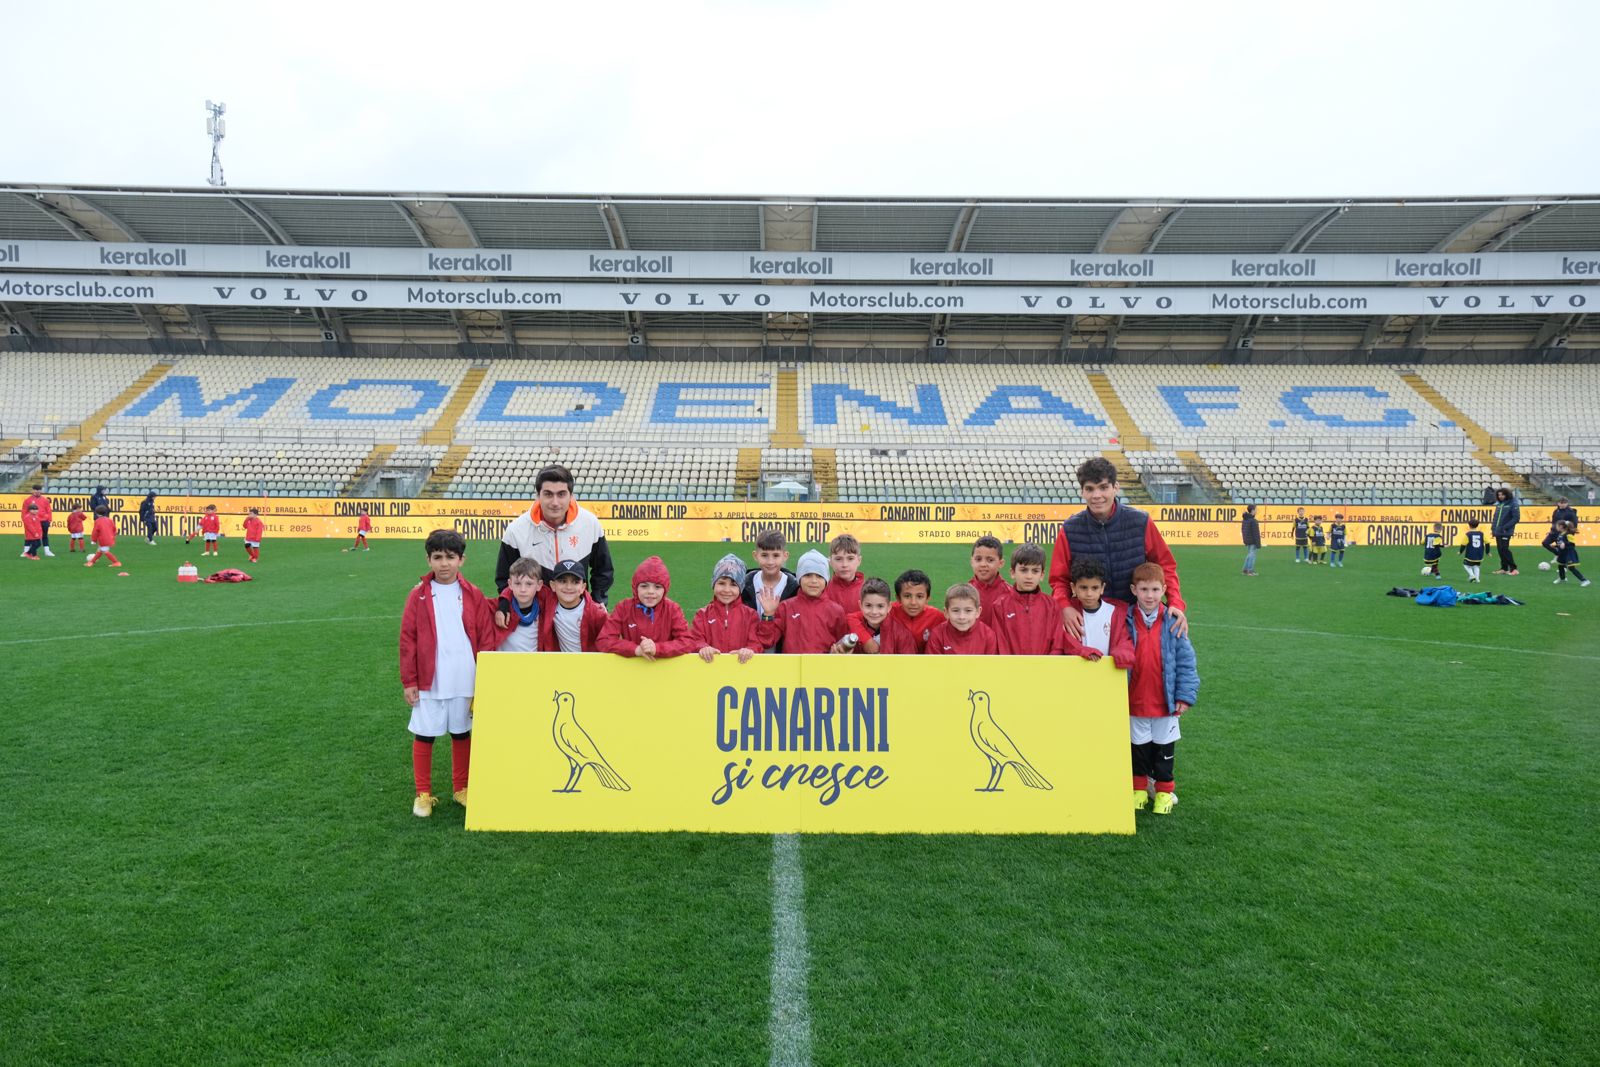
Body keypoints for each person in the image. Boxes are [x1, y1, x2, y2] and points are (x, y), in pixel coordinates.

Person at [398, 529, 500, 817]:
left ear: (461, 560)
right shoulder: (418, 595)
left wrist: (484, 677)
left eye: (450, 557)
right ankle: (423, 794)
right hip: (430, 680)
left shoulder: (472, 593)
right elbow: (408, 639)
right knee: (425, 734)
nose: (444, 564)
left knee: (461, 732)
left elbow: (485, 636)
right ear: (428, 560)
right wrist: (410, 681)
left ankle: (461, 788)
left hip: (464, 677)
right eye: (438, 557)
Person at [1049, 456, 1187, 640]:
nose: (1097, 495)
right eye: (1090, 489)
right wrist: (1064, 606)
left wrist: (1175, 602)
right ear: (1082, 492)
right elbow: (1059, 579)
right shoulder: (1069, 529)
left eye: (1103, 487)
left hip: (1136, 618)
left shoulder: (1140, 522)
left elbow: (1165, 565)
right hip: (1090, 620)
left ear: (1116, 487)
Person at [1124, 562, 1200, 816]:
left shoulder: (1173, 621)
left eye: (1155, 590)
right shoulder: (1124, 620)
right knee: (1139, 749)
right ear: (1134, 590)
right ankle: (1138, 791)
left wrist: (1184, 696)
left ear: (1164, 590)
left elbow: (1186, 662)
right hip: (1135, 700)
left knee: (1164, 750)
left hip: (1164, 702)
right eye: (1144, 589)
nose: (1150, 596)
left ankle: (1165, 793)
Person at [496, 464, 615, 610]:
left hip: (577, 613)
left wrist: (597, 600)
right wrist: (507, 606)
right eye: (548, 494)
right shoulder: (516, 530)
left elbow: (603, 570)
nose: (555, 502)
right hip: (535, 615)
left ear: (571, 496)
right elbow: (504, 578)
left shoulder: (590, 523)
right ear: (538, 495)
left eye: (561, 494)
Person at [597, 556, 694, 660]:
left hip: (664, 667)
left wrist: (658, 648)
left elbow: (687, 642)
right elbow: (604, 640)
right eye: (644, 586)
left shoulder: (673, 609)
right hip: (632, 667)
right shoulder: (623, 608)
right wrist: (636, 649)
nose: (650, 591)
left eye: (657, 587)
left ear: (665, 589)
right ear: (635, 587)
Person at [757, 550, 849, 654]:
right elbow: (767, 641)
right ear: (799, 578)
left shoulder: (836, 611)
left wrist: (840, 651)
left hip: (824, 664)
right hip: (792, 664)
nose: (814, 581)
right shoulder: (786, 607)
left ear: (826, 580)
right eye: (808, 575)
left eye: (819, 576)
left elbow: (843, 647)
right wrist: (768, 615)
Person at [987, 543, 1067, 656]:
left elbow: (1057, 644)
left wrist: (1047, 664)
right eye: (1024, 570)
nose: (1029, 576)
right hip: (1011, 666)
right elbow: (1000, 645)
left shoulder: (1052, 605)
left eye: (1035, 571)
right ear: (1013, 573)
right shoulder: (1000, 605)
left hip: (1045, 666)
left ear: (1042, 575)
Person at [693, 553, 775, 663]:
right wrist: (703, 647)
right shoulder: (702, 614)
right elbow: (694, 639)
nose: (727, 590)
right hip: (710, 669)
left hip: (741, 669)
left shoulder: (750, 615)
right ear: (713, 584)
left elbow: (757, 642)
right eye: (721, 583)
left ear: (741, 588)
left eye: (733, 585)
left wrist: (749, 650)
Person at [1062, 557, 1134, 666]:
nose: (1089, 594)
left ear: (1102, 588)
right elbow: (1066, 641)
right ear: (1073, 587)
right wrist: (1083, 651)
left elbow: (1124, 640)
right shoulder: (1068, 614)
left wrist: (1123, 653)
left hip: (1107, 671)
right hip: (1077, 670)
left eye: (1095, 588)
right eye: (1083, 588)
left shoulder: (1115, 612)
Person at [539, 560, 609, 653]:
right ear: (553, 585)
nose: (569, 587)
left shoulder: (597, 613)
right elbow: (527, 589)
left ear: (583, 587)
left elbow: (610, 640)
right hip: (560, 661)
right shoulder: (548, 604)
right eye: (563, 581)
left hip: (590, 661)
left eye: (575, 582)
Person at [837, 577, 916, 654]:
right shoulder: (850, 630)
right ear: (860, 605)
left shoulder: (903, 635)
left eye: (880, 606)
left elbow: (910, 662)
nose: (874, 612)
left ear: (889, 607)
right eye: (868, 605)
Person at [924, 583, 1002, 655]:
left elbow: (990, 665)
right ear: (946, 612)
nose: (962, 617)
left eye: (968, 610)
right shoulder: (937, 635)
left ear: (978, 612)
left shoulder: (988, 635)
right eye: (955, 610)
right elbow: (932, 665)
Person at [740, 528, 798, 612]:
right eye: (764, 555)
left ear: (785, 556)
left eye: (776, 555)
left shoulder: (795, 588)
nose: (770, 562)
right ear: (755, 556)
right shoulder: (744, 584)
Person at [495, 557, 544, 652]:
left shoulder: (545, 609)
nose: (523, 589)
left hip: (534, 661)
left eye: (529, 584)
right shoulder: (498, 610)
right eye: (517, 583)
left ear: (539, 585)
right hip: (505, 661)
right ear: (510, 584)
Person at [887, 569, 944, 652]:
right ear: (898, 598)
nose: (913, 602)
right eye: (907, 596)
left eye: (919, 596)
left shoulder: (937, 616)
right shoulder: (888, 611)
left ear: (927, 598)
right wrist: (868, 639)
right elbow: (865, 616)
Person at [968, 536, 1012, 617]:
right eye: (978, 559)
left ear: (1001, 563)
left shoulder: (1010, 594)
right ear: (971, 562)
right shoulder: (965, 593)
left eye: (990, 560)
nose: (983, 564)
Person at [822, 533, 866, 614]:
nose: (844, 564)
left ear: (859, 560)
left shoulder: (868, 590)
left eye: (850, 558)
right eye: (838, 559)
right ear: (830, 561)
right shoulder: (823, 590)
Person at [1491, 487, 1520, 575]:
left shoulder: (1513, 504)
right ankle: (1504, 568)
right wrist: (1493, 528)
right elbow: (1495, 518)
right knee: (1500, 550)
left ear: (1507, 495)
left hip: (1505, 531)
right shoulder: (1499, 504)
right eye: (1499, 495)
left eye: (1502, 495)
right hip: (1498, 531)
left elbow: (1516, 518)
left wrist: (1505, 527)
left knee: (1504, 549)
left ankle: (1514, 569)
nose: (1500, 496)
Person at [1551, 522, 1589, 586]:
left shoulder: (1569, 534)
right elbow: (1560, 543)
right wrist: (1555, 546)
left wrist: (1565, 544)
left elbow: (1572, 543)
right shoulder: (1561, 534)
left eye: (1557, 526)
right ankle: (1562, 579)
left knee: (1571, 567)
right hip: (1562, 553)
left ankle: (1584, 580)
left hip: (1569, 553)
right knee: (1560, 566)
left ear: (1561, 526)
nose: (1556, 527)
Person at [22, 485, 53, 557]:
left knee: (44, 535)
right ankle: (26, 551)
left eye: (39, 490)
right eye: (36, 489)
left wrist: (49, 520)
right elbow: (24, 511)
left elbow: (49, 511)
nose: (37, 491)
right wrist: (24, 520)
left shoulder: (45, 500)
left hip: (43, 521)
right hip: (32, 521)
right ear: (32, 490)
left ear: (41, 491)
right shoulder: (27, 500)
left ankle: (47, 551)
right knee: (29, 536)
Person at [1543, 497, 1579, 562]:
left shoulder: (1570, 512)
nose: (1563, 504)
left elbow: (1574, 524)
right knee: (1545, 543)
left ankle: (1565, 563)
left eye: (1565, 503)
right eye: (1561, 503)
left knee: (1563, 548)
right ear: (1558, 503)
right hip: (1554, 532)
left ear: (1567, 503)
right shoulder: (1556, 511)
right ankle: (1557, 554)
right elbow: (1554, 522)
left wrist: (1569, 533)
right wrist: (1551, 530)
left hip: (1563, 534)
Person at [1240, 504, 1260, 576]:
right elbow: (1256, 533)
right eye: (1256, 509)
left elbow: (1243, 530)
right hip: (1252, 540)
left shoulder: (1245, 519)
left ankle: (1245, 570)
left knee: (1249, 554)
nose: (1257, 511)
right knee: (1252, 555)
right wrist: (1258, 543)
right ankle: (1250, 570)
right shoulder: (1253, 521)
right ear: (1252, 510)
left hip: (1248, 540)